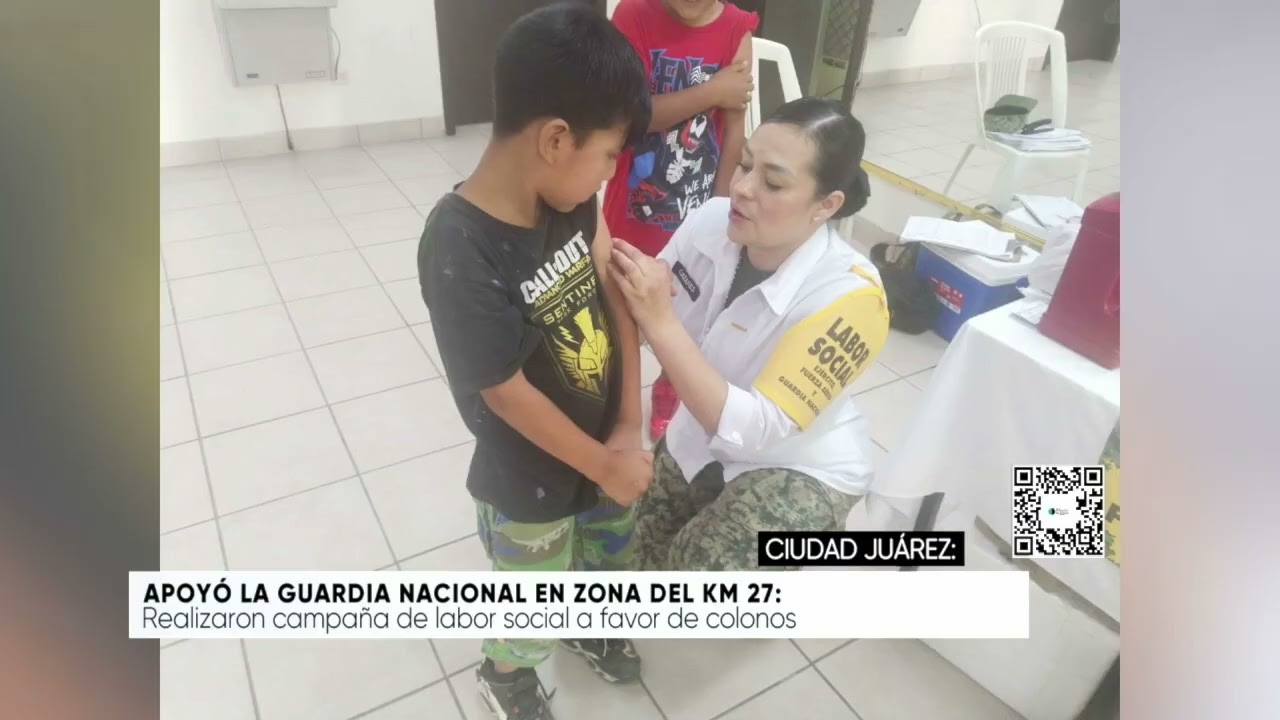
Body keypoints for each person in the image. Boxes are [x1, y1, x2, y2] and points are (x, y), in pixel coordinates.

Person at [417, 6, 652, 718]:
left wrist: (628, 423)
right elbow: (504, 391)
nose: (610, 172)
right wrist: (602, 462)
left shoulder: (572, 199)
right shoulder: (460, 247)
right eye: (607, 154)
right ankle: (506, 673)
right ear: (555, 139)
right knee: (531, 595)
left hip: (605, 439)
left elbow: (612, 288)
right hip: (530, 474)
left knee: (608, 554)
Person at [607, 97, 889, 571]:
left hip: (796, 462)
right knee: (634, 553)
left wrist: (659, 320)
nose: (741, 188)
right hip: (701, 429)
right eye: (744, 165)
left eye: (773, 183)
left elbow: (755, 430)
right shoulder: (712, 220)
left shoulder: (854, 298)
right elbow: (637, 313)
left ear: (827, 205)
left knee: (700, 571)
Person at [604, 0, 760, 442]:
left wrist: (722, 208)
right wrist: (713, 91)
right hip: (633, 208)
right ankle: (616, 398)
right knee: (619, 309)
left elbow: (734, 129)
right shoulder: (633, 16)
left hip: (697, 206)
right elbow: (632, 117)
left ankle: (671, 384)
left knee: (692, 310)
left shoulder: (736, 29)